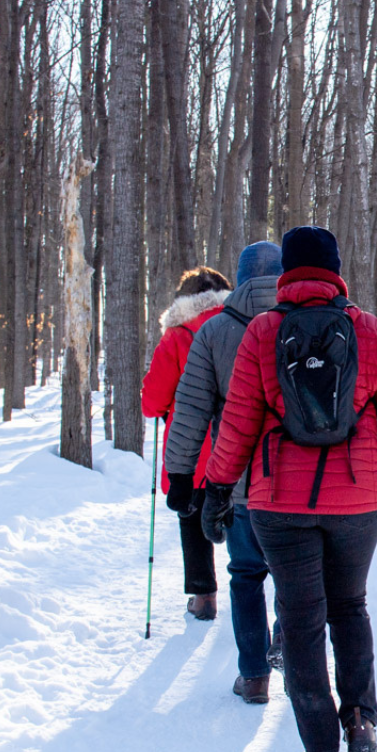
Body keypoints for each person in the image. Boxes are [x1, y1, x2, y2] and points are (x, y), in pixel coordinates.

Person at [201, 226, 377, 752]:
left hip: (278, 502)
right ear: (336, 270)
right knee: (350, 608)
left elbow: (237, 423)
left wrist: (217, 492)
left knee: (300, 620)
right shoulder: (367, 330)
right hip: (357, 501)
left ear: (286, 272)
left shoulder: (263, 333)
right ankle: (360, 724)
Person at [163, 241, 286, 704]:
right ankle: (287, 643)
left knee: (246, 575)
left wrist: (180, 476)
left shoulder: (214, 331)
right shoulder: (306, 321)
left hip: (236, 482)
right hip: (297, 484)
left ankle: (253, 677)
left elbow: (191, 410)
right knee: (292, 576)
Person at [141, 266, 232, 621]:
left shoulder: (177, 336)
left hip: (191, 453)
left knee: (192, 519)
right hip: (238, 448)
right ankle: (256, 596)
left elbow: (152, 403)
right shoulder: (242, 326)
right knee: (245, 522)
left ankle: (203, 595)